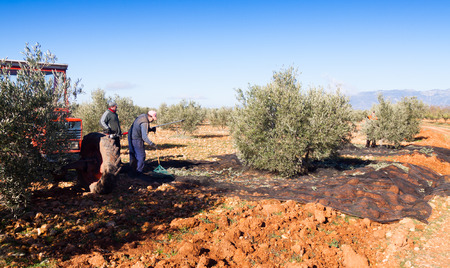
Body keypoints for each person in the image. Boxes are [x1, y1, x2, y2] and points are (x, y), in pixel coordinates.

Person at [128, 110, 158, 176]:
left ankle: (134, 171)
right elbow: (144, 137)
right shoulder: (144, 122)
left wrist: (150, 129)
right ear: (150, 117)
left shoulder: (142, 117)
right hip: (137, 139)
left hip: (133, 138)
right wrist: (152, 144)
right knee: (141, 156)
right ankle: (139, 172)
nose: (152, 121)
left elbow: (141, 129)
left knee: (136, 156)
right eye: (153, 119)